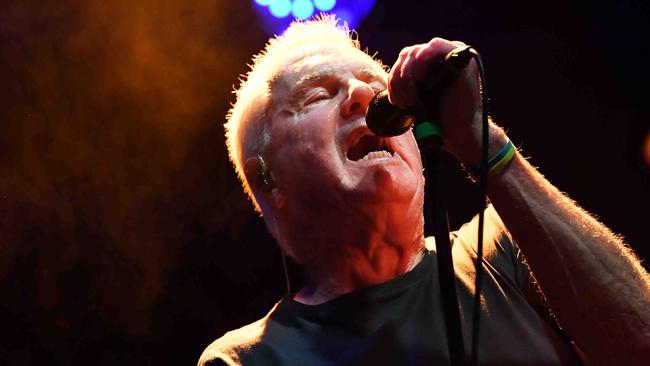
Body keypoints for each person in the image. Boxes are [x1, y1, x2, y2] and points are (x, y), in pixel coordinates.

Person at [198, 16, 650, 365]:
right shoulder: (247, 358)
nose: (361, 94)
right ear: (267, 179)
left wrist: (483, 143)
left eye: (376, 88)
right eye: (318, 94)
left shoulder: (504, 246)